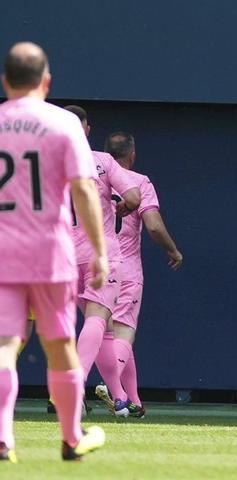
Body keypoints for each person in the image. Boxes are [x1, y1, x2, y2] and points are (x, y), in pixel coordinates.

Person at [0, 41, 107, 461]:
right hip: (51, 254)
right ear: (46, 81)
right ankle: (70, 438)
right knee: (61, 343)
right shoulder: (64, 124)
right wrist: (100, 251)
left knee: (6, 344)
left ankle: (3, 436)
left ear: (6, 81)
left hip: (3, 253)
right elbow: (83, 188)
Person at [93, 131, 183, 419]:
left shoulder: (95, 176)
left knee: (107, 333)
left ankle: (133, 400)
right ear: (132, 155)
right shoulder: (139, 181)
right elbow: (154, 225)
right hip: (127, 269)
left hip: (95, 264)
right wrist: (173, 251)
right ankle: (112, 386)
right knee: (123, 334)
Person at [62, 106, 140, 418]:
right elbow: (133, 197)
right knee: (97, 318)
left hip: (64, 253)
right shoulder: (103, 161)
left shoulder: (48, 162)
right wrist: (121, 207)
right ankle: (75, 383)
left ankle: (120, 398)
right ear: (87, 130)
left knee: (104, 330)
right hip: (101, 251)